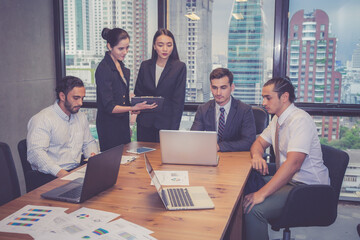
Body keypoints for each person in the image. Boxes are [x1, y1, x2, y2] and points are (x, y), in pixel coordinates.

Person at [242, 77, 330, 240]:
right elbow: (258, 143)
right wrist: (256, 156)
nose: (263, 102)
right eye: (263, 97)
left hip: (307, 188)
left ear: (284, 97)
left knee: (252, 209)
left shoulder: (299, 120)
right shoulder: (277, 119)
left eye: (268, 98)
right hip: (291, 182)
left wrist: (261, 194)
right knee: (243, 190)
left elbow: (293, 165)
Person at [27, 76, 99, 187]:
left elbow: (88, 142)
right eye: (76, 98)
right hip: (50, 177)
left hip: (75, 171)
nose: (80, 103)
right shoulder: (42, 119)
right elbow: (36, 154)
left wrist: (92, 156)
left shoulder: (80, 116)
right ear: (62, 96)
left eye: (82, 98)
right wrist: (63, 174)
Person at [96, 27, 156, 151]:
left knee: (125, 159)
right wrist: (133, 108)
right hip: (109, 125)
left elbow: (122, 99)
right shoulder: (103, 69)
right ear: (109, 46)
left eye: (127, 47)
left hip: (122, 123)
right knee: (113, 162)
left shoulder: (123, 68)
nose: (125, 52)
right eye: (120, 48)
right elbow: (109, 106)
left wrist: (134, 107)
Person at [134, 29, 186, 142]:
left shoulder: (179, 67)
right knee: (144, 155)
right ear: (154, 46)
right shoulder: (145, 65)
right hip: (145, 123)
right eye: (160, 45)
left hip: (166, 125)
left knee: (163, 158)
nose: (165, 49)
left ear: (173, 46)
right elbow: (138, 93)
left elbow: (178, 102)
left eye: (169, 45)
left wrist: (173, 130)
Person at [190, 68, 256, 152]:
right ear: (210, 87)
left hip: (235, 158)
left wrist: (220, 146)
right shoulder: (203, 109)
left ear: (232, 87)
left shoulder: (244, 110)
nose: (218, 93)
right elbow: (194, 138)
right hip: (209, 157)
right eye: (214, 88)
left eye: (223, 88)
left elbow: (249, 142)